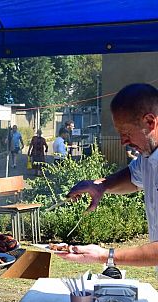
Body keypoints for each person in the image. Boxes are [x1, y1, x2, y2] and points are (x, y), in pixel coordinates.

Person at [59, 83, 158, 267]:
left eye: (126, 133)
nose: (123, 142)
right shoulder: (147, 154)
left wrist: (105, 256)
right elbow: (133, 177)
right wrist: (102, 185)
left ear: (150, 121)